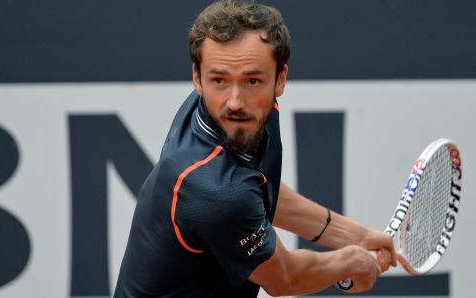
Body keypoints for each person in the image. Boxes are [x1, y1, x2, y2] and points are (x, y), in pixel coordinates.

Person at [113, 1, 396, 297]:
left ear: (280, 80)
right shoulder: (217, 192)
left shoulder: (226, 114)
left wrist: (353, 234)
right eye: (219, 80)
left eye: (252, 80)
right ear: (197, 78)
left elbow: (257, 189)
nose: (235, 102)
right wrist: (350, 262)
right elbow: (286, 278)